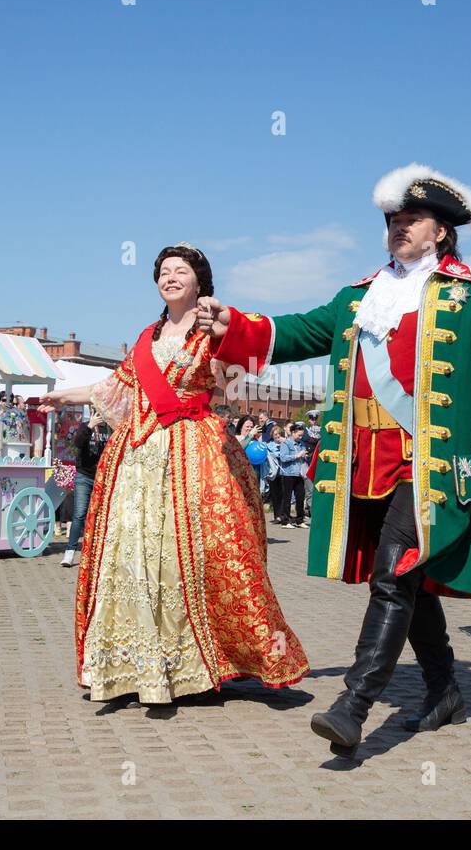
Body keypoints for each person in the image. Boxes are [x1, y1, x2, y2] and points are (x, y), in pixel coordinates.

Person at [199, 164, 471, 752]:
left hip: (427, 465)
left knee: (394, 572)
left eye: (412, 219)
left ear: (442, 232)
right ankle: (444, 686)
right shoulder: (360, 295)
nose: (399, 228)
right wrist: (235, 324)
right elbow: (298, 332)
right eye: (393, 220)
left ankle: (354, 703)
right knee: (410, 582)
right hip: (363, 463)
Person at [40, 243, 309, 704]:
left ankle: (209, 660)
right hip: (140, 459)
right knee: (138, 555)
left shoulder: (213, 331)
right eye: (163, 271)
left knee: (209, 552)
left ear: (199, 280)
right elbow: (114, 388)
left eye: (180, 270)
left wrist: (226, 340)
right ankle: (143, 663)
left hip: (195, 451)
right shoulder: (147, 337)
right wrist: (63, 396)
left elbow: (234, 381)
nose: (170, 277)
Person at [59, 412, 109, 567]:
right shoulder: (84, 426)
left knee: (101, 516)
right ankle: (70, 553)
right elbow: (78, 444)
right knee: (79, 514)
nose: (100, 414)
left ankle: (97, 554)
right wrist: (89, 426)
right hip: (84, 476)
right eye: (96, 410)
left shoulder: (110, 429)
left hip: (103, 477)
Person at [276, 422, 310, 528]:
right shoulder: (286, 444)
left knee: (300, 497)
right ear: (293, 433)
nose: (300, 437)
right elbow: (283, 458)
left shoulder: (301, 444)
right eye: (299, 435)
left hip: (299, 473)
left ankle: (300, 520)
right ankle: (285, 521)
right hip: (288, 474)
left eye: (302, 435)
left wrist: (305, 456)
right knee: (287, 497)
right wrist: (296, 455)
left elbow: (303, 457)